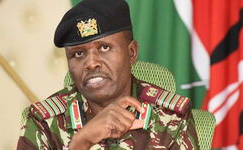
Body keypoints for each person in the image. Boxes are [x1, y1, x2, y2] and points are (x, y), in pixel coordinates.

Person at [17, 0, 199, 149]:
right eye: (78, 54)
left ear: (132, 53)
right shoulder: (44, 121)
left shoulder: (171, 118)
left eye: (105, 48)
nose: (91, 63)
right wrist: (82, 142)